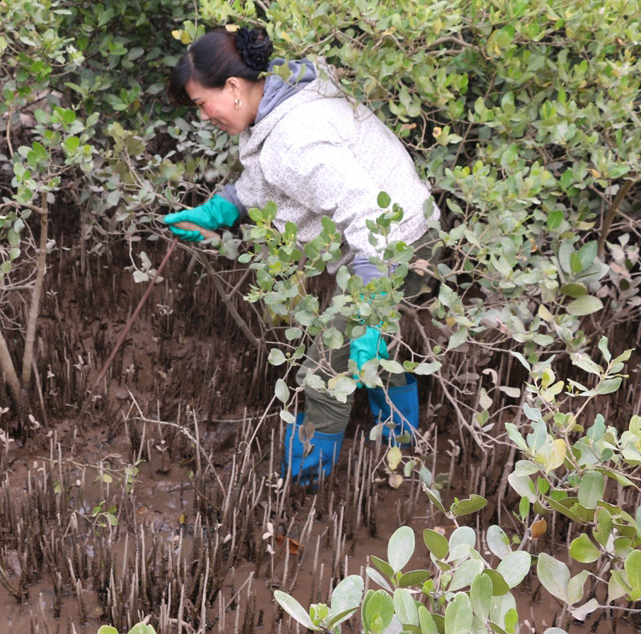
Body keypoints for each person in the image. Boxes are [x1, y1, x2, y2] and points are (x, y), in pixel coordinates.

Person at [164, 25, 440, 485]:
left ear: (232, 87)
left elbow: (369, 211)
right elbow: (269, 173)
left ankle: (303, 483)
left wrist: (369, 306)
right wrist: (221, 209)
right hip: (395, 237)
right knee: (358, 345)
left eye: (200, 104)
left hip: (401, 244)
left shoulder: (296, 134)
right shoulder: (284, 99)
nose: (203, 116)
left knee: (326, 366)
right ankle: (401, 437)